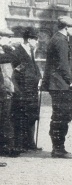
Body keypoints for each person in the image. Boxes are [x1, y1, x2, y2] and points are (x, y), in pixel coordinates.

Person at [40, 16, 72, 159]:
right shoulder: (61, 41)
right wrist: (71, 81)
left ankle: (57, 147)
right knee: (61, 116)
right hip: (61, 85)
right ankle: (58, 149)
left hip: (56, 84)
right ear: (67, 28)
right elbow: (63, 65)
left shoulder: (55, 39)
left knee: (58, 116)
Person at [10, 27, 42, 153]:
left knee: (32, 116)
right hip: (23, 90)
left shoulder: (30, 51)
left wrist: (38, 77)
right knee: (21, 116)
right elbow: (18, 72)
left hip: (32, 90)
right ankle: (21, 144)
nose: (37, 42)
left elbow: (34, 69)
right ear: (29, 39)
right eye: (36, 39)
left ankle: (30, 142)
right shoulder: (17, 52)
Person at [0, 27, 20, 158]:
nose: (10, 40)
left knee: (5, 118)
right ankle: (7, 147)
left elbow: (16, 60)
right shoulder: (4, 53)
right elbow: (12, 58)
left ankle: (6, 147)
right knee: (4, 119)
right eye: (8, 37)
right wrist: (9, 49)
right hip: (2, 89)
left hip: (5, 89)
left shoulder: (4, 51)